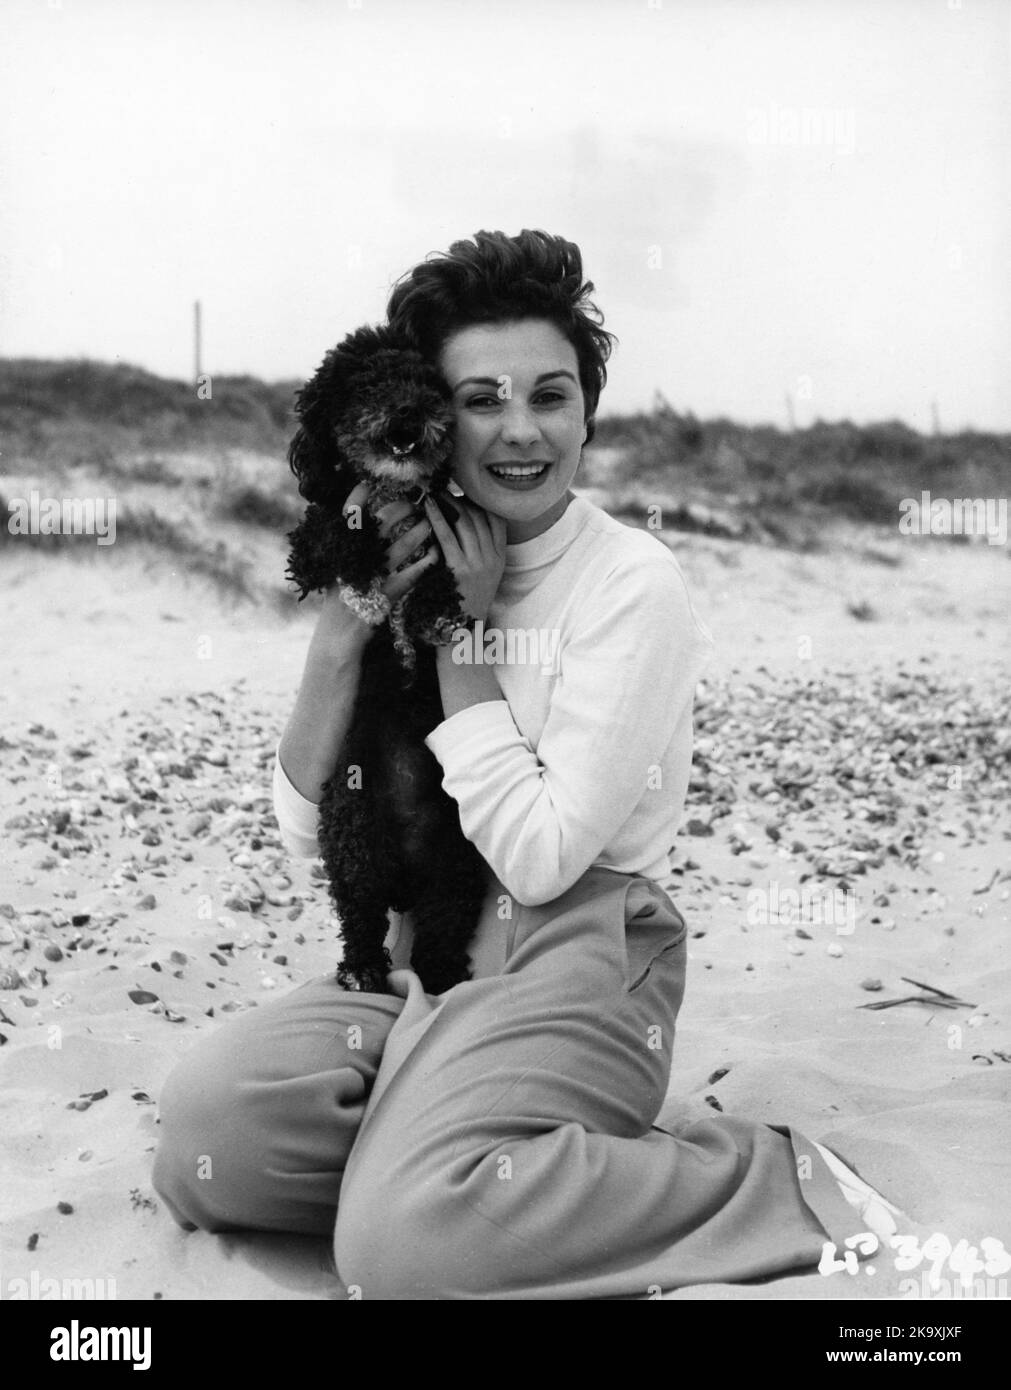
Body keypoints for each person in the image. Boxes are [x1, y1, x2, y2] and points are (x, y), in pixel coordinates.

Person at [152, 228, 902, 1299]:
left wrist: (460, 656)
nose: (519, 431)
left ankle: (767, 1178)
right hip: (429, 952)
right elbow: (306, 833)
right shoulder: (398, 556)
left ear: (587, 410)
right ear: (428, 409)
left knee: (399, 1247)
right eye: (481, 399)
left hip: (581, 952)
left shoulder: (630, 584)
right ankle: (443, 1153)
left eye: (550, 396)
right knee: (208, 1139)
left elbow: (546, 856)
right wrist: (343, 634)